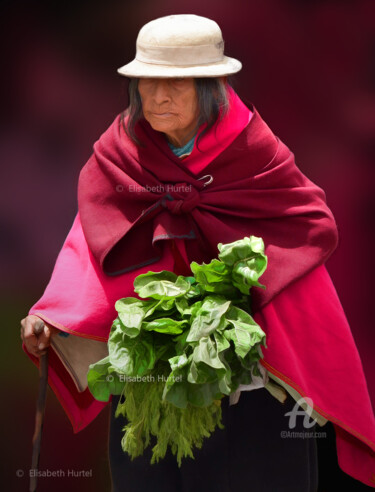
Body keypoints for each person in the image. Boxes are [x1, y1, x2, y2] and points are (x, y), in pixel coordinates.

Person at [20, 14, 375, 491]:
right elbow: (91, 240)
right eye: (147, 83)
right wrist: (51, 313)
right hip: (148, 376)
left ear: (212, 87)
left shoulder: (254, 153)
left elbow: (302, 230)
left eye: (176, 85)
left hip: (250, 385)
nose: (158, 98)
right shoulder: (120, 153)